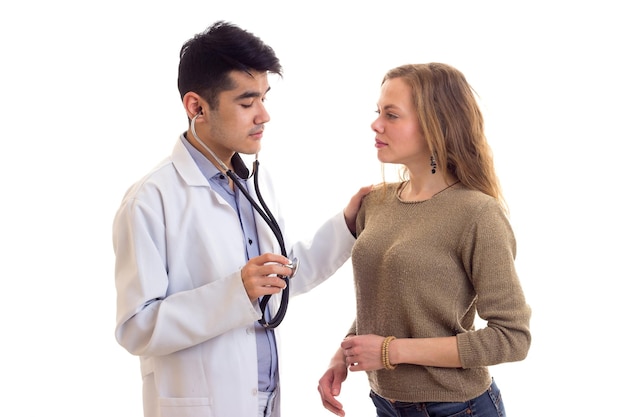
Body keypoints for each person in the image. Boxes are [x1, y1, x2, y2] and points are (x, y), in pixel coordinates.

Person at [112, 21, 370, 417]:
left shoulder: (253, 182)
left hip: (264, 403)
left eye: (265, 99)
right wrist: (236, 292)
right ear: (196, 107)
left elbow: (276, 277)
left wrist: (347, 226)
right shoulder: (150, 199)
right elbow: (136, 327)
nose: (264, 115)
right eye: (247, 103)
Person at [317, 63, 532, 417]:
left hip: (457, 408)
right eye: (378, 112)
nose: (376, 124)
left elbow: (512, 338)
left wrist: (391, 352)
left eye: (392, 115)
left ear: (436, 126)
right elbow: (390, 301)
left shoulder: (477, 214)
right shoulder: (376, 202)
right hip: (385, 404)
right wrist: (343, 355)